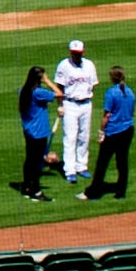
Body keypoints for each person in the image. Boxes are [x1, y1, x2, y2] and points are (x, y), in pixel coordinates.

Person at [51, 38, 100, 185]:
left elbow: (93, 84)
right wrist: (60, 105)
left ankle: (81, 166)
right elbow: (59, 87)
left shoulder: (89, 65)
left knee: (84, 136)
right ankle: (70, 170)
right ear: (70, 52)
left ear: (82, 52)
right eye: (74, 53)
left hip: (86, 103)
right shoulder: (64, 65)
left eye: (78, 53)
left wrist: (86, 97)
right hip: (70, 104)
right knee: (70, 137)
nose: (76, 55)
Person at [84, 66, 136, 201]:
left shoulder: (111, 93)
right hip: (127, 130)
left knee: (102, 163)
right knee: (122, 162)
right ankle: (121, 192)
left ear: (112, 77)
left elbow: (106, 116)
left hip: (113, 132)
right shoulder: (130, 92)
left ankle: (94, 193)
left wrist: (101, 132)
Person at [15, 66, 59, 201]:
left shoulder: (23, 90)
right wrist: (48, 82)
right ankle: (36, 191)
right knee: (37, 162)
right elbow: (59, 93)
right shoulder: (38, 92)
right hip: (39, 132)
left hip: (29, 131)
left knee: (30, 160)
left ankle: (27, 187)